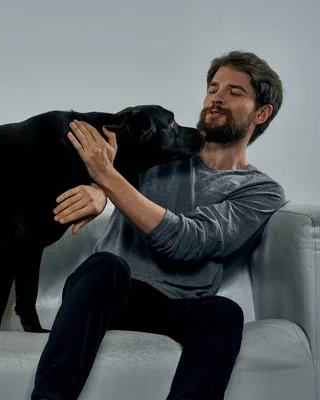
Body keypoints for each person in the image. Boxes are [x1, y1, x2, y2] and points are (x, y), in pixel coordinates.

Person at [30, 50, 288, 400]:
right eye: (213, 88)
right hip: (109, 293)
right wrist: (98, 191)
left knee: (224, 312)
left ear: (262, 113)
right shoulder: (160, 150)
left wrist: (106, 181)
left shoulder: (259, 190)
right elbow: (100, 170)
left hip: (176, 306)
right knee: (105, 266)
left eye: (234, 92)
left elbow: (190, 241)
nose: (217, 98)